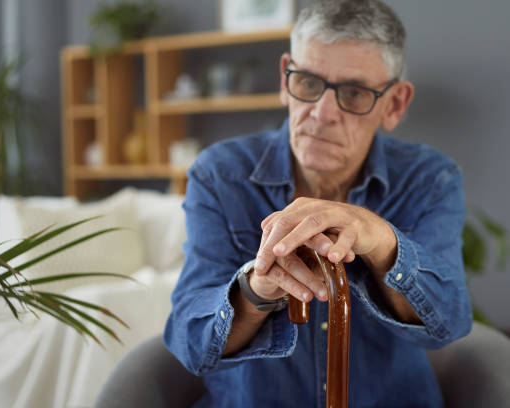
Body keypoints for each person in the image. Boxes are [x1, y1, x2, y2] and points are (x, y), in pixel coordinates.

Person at [164, 0, 472, 406]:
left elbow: (448, 321)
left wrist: (380, 241)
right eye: (308, 83)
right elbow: (189, 342)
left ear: (394, 104)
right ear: (284, 76)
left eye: (355, 93)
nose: (322, 113)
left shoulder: (430, 178)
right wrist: (258, 290)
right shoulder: (219, 174)